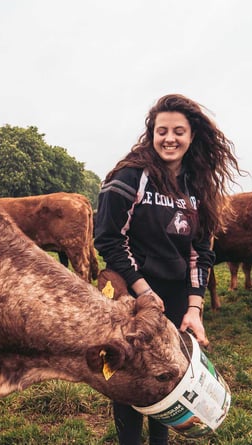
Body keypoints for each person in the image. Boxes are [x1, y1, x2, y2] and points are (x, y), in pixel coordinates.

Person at [94, 93, 242, 445]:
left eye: (179, 131)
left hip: (174, 296)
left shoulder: (198, 185)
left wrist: (194, 308)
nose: (170, 138)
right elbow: (109, 240)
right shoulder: (131, 176)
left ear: (192, 137)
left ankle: (160, 441)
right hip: (131, 295)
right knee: (129, 373)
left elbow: (201, 252)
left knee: (167, 373)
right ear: (151, 133)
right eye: (162, 130)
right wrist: (144, 292)